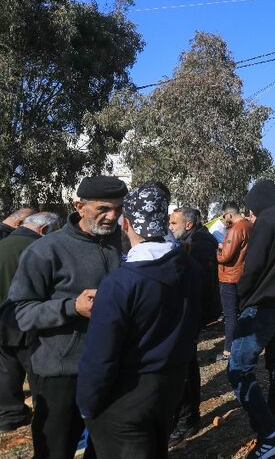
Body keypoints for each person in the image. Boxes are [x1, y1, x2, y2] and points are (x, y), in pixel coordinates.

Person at [76, 183, 202, 459]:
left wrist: (87, 404)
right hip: (168, 388)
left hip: (124, 401)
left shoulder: (121, 283)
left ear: (126, 224)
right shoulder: (188, 267)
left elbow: (101, 356)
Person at [8, 176, 127, 459]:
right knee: (55, 450)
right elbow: (18, 313)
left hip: (112, 367)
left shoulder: (123, 243)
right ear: (80, 206)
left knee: (105, 449)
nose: (113, 216)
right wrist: (71, 307)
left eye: (119, 208)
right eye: (104, 209)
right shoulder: (45, 250)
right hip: (60, 373)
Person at [228, 179, 275, 458]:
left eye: (251, 208)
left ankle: (270, 433)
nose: (251, 214)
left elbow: (254, 264)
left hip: (264, 305)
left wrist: (242, 294)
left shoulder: (267, 221)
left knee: (238, 368)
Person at [0, 212, 60, 433]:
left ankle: (9, 418)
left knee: (6, 371)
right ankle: (44, 416)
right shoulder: (39, 250)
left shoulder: (3, 244)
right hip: (28, 321)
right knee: (38, 373)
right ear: (44, 230)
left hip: (2, 322)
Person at [168, 206, 220, 445]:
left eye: (173, 223)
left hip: (192, 314)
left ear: (188, 225)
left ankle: (187, 419)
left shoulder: (199, 245)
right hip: (189, 314)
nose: (170, 227)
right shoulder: (193, 241)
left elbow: (200, 283)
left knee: (186, 369)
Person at [216, 205, 252, 362]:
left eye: (223, 217)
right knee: (241, 312)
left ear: (229, 214)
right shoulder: (249, 225)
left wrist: (218, 251)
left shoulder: (236, 229)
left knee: (230, 315)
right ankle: (243, 345)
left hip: (230, 276)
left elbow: (225, 257)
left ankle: (228, 351)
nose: (223, 220)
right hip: (242, 274)